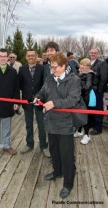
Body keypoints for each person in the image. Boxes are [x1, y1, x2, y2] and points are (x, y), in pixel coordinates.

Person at [34, 52, 81, 199]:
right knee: (54, 151)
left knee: (67, 155)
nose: (52, 70)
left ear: (63, 66)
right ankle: (57, 172)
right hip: (51, 121)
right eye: (51, 67)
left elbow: (73, 100)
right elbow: (43, 92)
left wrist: (54, 103)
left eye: (55, 67)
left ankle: (68, 183)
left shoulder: (74, 80)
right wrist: (38, 97)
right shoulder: (49, 78)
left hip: (66, 122)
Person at [18, 49, 49, 157]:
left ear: (36, 57)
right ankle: (29, 144)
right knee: (29, 124)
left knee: (42, 124)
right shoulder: (22, 69)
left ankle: (43, 146)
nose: (30, 57)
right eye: (28, 56)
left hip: (40, 101)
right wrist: (27, 93)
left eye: (33, 55)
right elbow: (20, 84)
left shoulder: (42, 68)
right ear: (26, 57)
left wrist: (40, 96)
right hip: (27, 101)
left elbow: (45, 84)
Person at [75, 58, 97, 144]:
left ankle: (87, 135)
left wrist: (77, 89)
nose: (83, 66)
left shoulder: (89, 74)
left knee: (85, 116)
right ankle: (80, 131)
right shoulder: (80, 73)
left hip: (85, 97)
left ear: (88, 66)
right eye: (81, 64)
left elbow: (88, 86)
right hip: (79, 96)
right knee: (79, 114)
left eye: (85, 65)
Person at [89, 48, 108, 135]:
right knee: (91, 107)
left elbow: (104, 78)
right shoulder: (88, 62)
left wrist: (100, 90)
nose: (93, 54)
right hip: (89, 90)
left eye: (95, 53)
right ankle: (92, 124)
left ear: (98, 54)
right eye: (91, 53)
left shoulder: (102, 63)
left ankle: (98, 128)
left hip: (97, 90)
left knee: (98, 108)